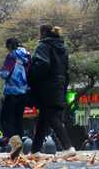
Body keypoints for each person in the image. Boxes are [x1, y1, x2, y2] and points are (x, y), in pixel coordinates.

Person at [27, 24, 76, 156]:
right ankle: (35, 150)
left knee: (52, 116)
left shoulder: (43, 46)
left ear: (42, 33)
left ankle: (68, 147)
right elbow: (66, 71)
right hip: (59, 85)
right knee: (44, 117)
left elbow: (42, 64)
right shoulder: (62, 48)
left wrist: (30, 75)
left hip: (47, 86)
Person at [0, 38, 31, 159]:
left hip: (12, 92)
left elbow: (5, 73)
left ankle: (15, 143)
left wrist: (1, 72)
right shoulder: (28, 56)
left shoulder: (12, 56)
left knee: (5, 119)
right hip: (24, 92)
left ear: (10, 46)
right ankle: (20, 148)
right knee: (18, 119)